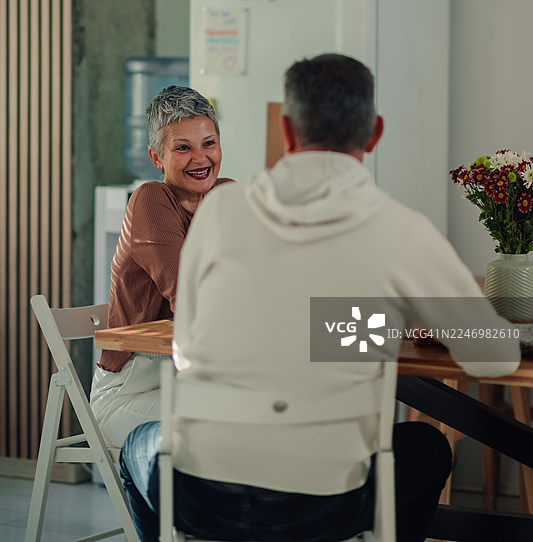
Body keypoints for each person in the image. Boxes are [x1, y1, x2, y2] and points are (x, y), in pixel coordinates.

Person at [119, 54, 520, 542]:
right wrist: (375, 327)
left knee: (138, 447)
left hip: (203, 497)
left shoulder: (221, 209)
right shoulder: (400, 228)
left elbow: (190, 346)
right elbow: (494, 353)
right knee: (428, 447)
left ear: (287, 131)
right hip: (319, 509)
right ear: (374, 133)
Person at [90, 85, 232, 448]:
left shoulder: (225, 197)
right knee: (242, 414)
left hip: (193, 378)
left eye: (209, 143)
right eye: (182, 147)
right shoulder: (150, 199)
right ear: (157, 157)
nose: (200, 158)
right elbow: (192, 299)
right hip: (131, 393)